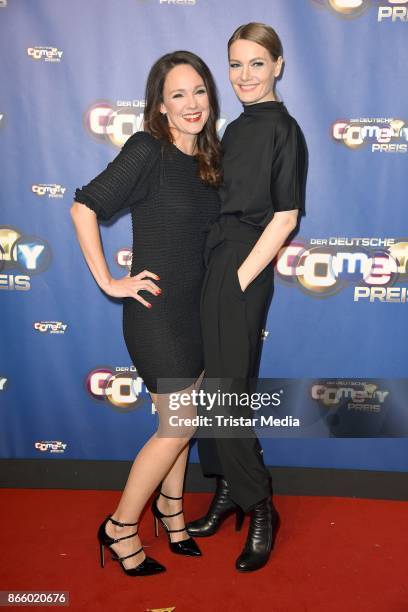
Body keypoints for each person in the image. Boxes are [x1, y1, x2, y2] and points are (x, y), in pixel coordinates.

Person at [70, 50, 221, 577]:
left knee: (176, 424)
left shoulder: (209, 159)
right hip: (156, 316)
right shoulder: (147, 150)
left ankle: (172, 514)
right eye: (178, 94)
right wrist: (110, 280)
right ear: (159, 104)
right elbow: (83, 206)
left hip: (197, 314)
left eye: (199, 91)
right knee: (180, 426)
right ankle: (120, 527)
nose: (191, 103)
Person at [186, 23, 308, 572]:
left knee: (228, 389)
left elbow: (285, 217)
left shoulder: (286, 130)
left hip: (243, 261)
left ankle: (259, 503)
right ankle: (229, 489)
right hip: (215, 260)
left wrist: (240, 276)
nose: (244, 76)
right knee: (213, 388)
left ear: (278, 65)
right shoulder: (233, 128)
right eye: (235, 65)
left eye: (256, 63)